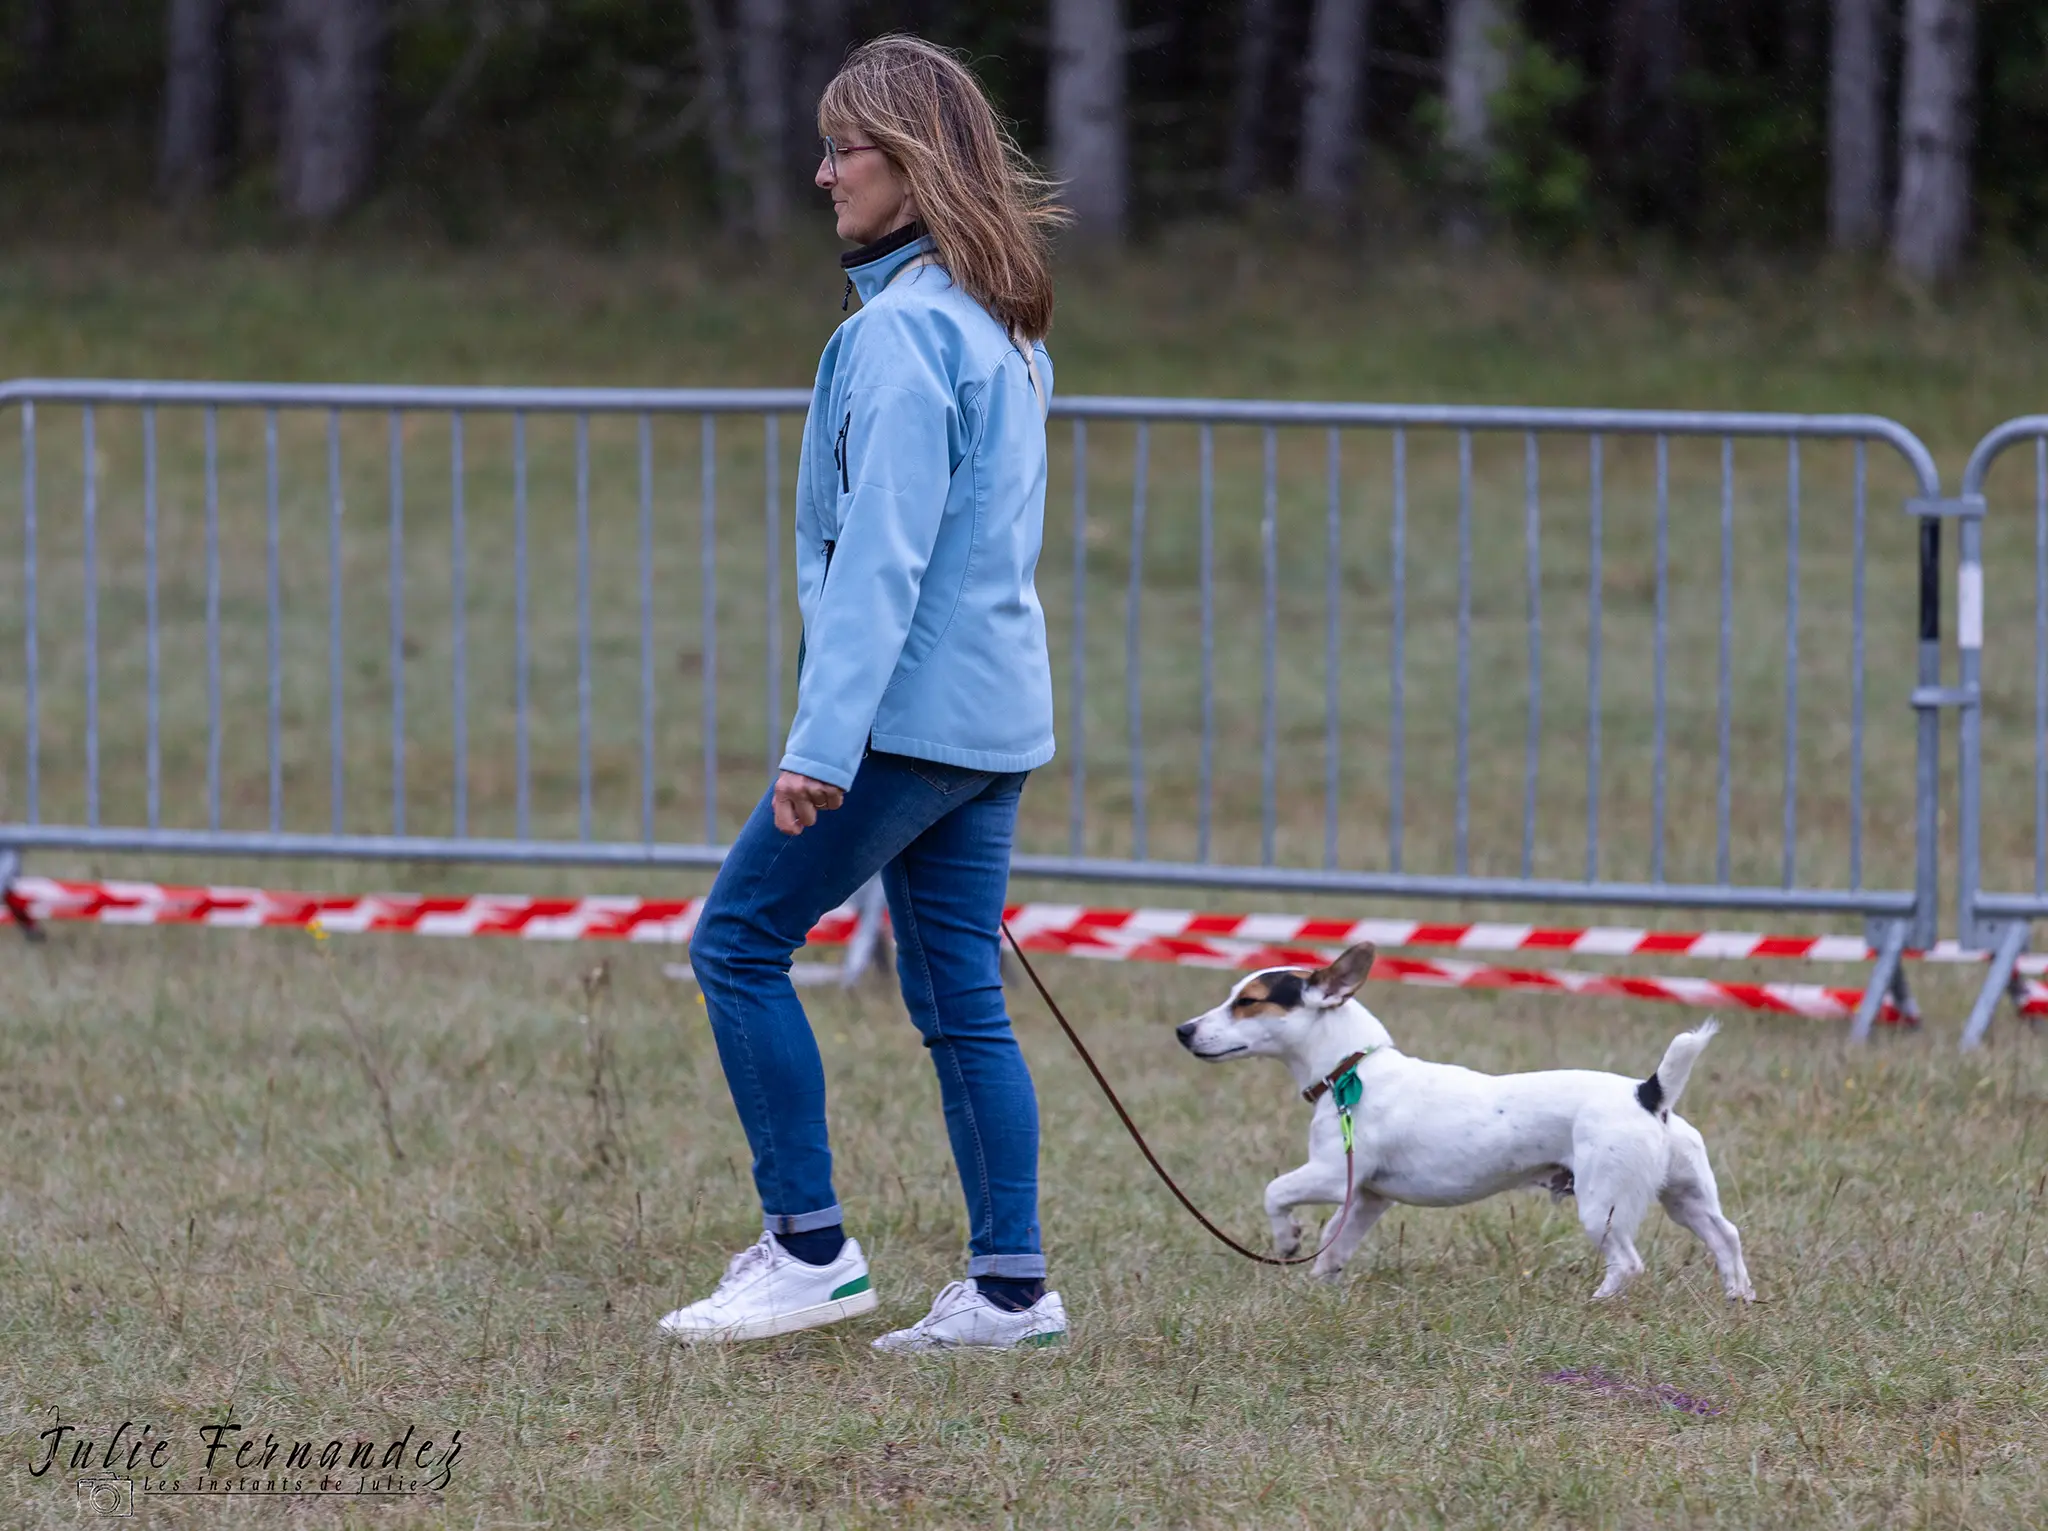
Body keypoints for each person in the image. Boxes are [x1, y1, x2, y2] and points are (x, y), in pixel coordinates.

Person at [658, 35, 1068, 1351]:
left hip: (899, 723)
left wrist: (822, 743)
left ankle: (809, 1248)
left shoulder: (898, 338)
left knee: (734, 942)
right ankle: (1013, 1290)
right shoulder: (995, 327)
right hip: (990, 719)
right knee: (960, 1002)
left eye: (847, 147)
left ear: (912, 165)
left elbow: (878, 568)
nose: (822, 169)